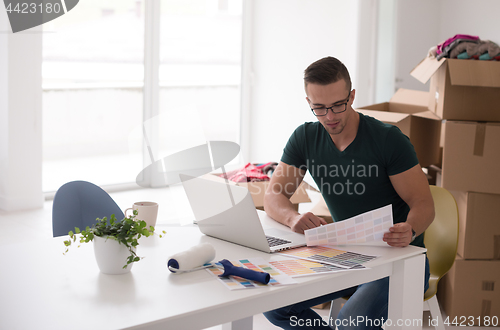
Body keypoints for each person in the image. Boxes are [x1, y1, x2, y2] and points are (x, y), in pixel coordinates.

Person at [262, 56, 434, 330]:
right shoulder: (305, 137)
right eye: (319, 108)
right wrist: (291, 218)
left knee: (351, 323)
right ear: (308, 102)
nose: (329, 116)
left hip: (400, 259)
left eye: (338, 105)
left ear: (352, 96)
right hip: (344, 255)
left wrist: (410, 229)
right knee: (274, 304)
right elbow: (273, 195)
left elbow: (423, 204)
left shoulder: (388, 140)